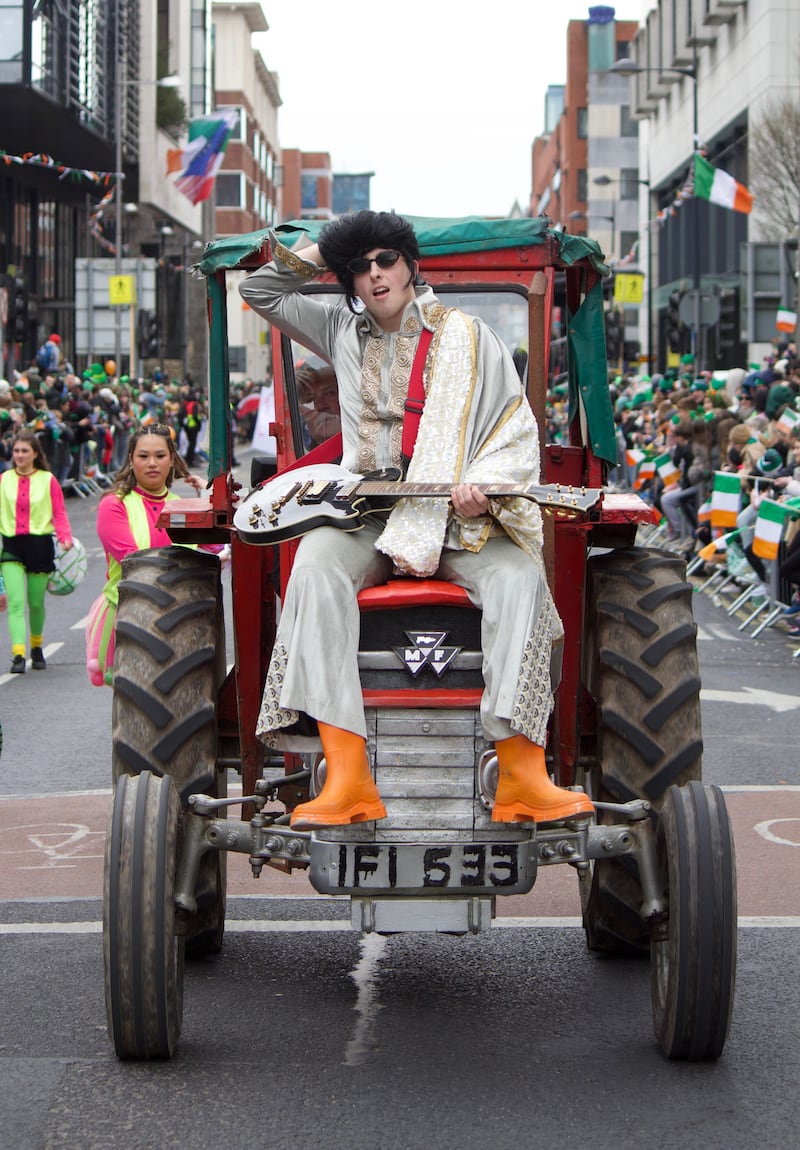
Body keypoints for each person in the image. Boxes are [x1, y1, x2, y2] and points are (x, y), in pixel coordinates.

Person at [239, 209, 593, 830]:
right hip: (364, 513)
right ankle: (347, 775)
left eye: (386, 261)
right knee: (314, 568)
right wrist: (330, 252)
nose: (375, 275)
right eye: (361, 267)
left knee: (519, 578)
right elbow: (259, 290)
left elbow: (513, 426)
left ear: (409, 266)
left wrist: (484, 483)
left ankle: (520, 773)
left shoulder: (469, 335)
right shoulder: (338, 331)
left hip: (451, 516)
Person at [85, 424, 206, 686]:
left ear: (172, 459)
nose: (152, 463)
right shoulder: (114, 504)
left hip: (182, 616)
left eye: (160, 456)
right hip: (129, 614)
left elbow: (216, 550)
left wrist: (208, 499)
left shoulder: (184, 507)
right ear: (131, 459)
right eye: (143, 456)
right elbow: (133, 559)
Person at [0, 428, 73, 672]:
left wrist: (65, 537)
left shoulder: (47, 479)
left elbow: (59, 512)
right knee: (16, 603)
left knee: (36, 603)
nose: (19, 455)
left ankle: (37, 647)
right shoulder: (4, 479)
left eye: (24, 451)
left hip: (40, 545)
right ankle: (18, 654)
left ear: (34, 454)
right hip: (11, 545)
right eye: (16, 451)